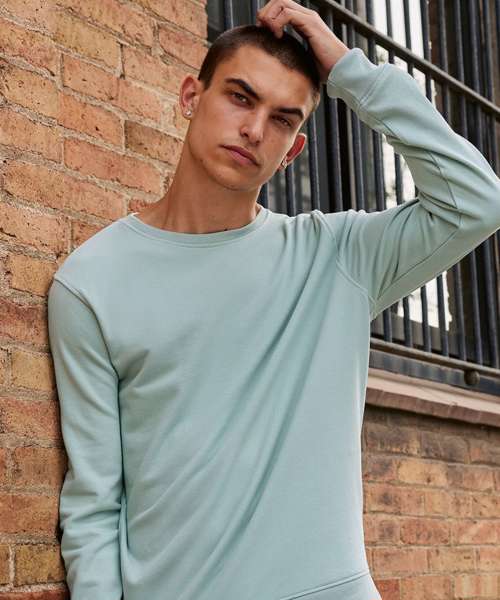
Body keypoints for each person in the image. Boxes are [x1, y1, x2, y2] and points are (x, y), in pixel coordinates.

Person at [47, 2, 500, 599]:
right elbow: (94, 505)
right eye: (240, 97)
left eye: (282, 119)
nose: (255, 130)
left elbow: (476, 202)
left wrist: (350, 71)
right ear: (191, 97)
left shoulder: (336, 257)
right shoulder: (91, 282)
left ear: (293, 151)